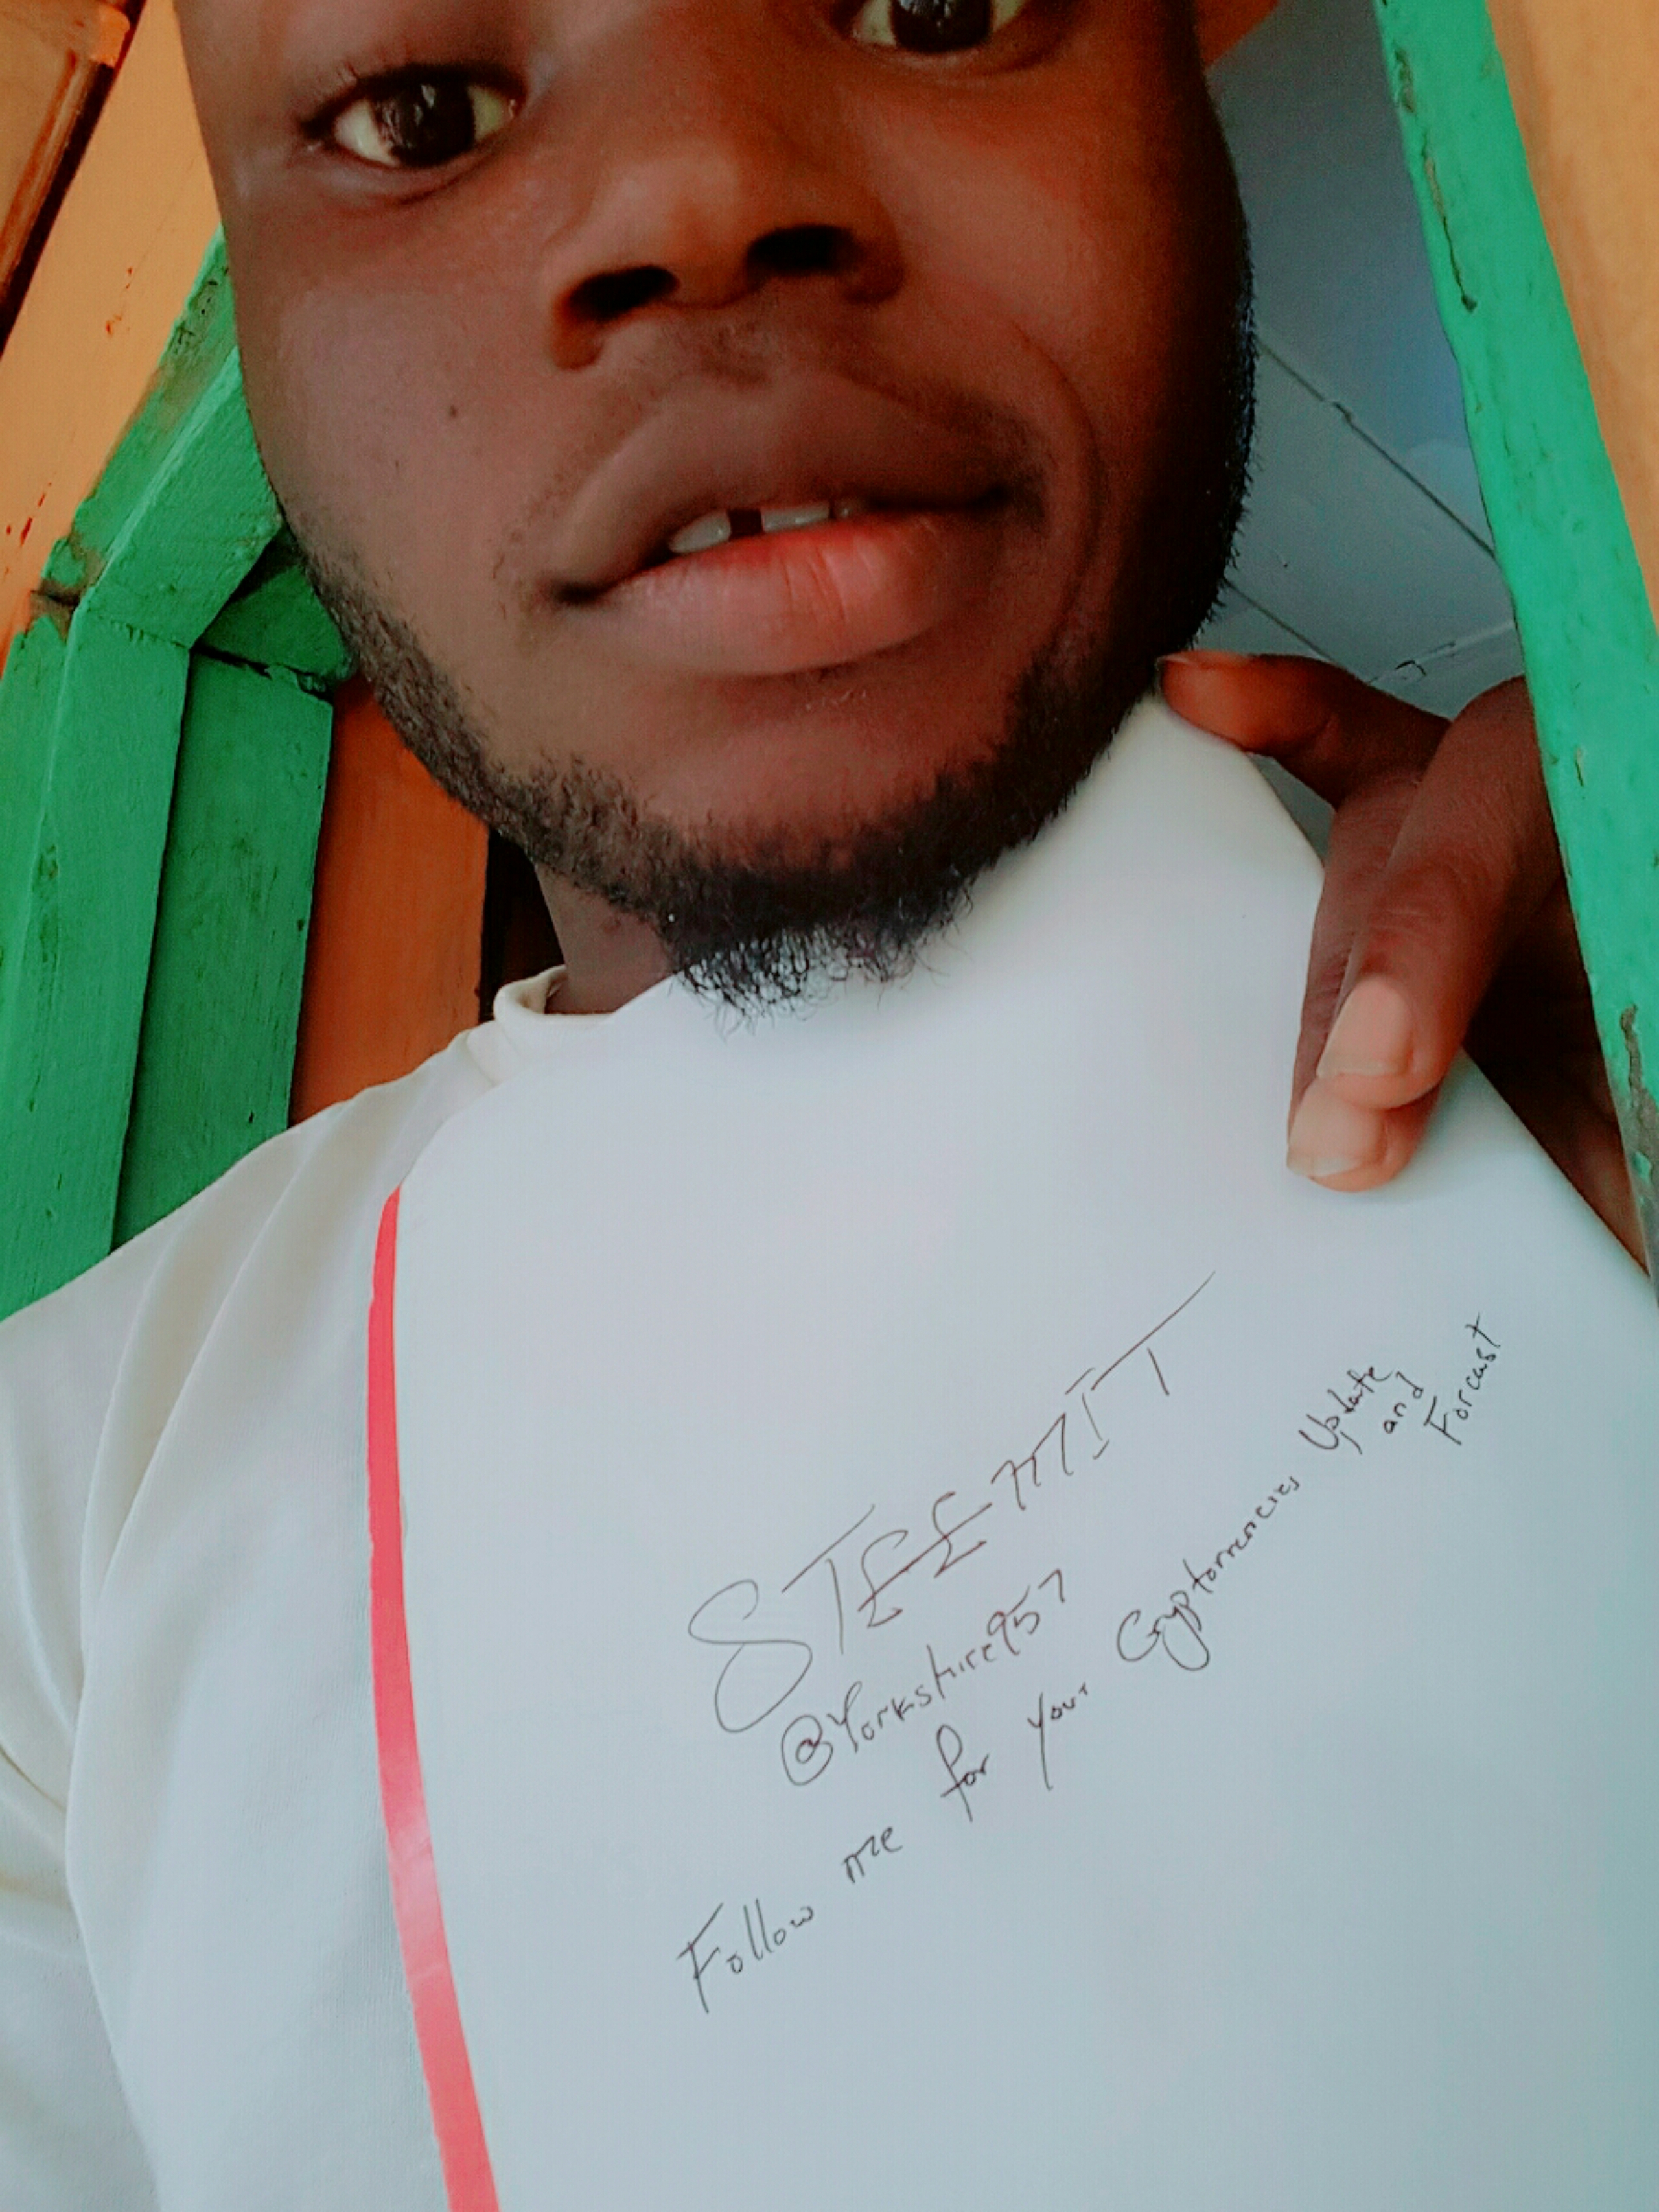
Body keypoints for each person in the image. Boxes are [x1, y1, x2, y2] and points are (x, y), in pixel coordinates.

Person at [0, 0, 1636, 2204]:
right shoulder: (47, 1575)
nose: (697, 200)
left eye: (931, 5)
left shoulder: (1595, 1006)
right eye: (420, 113)